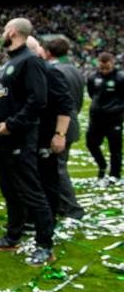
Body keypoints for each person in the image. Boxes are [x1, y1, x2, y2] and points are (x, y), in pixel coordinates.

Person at [0, 18, 54, 266]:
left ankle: (45, 245)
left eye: (4, 30)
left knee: (31, 191)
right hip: (2, 138)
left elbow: (38, 100)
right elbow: (0, 99)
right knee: (10, 190)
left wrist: (12, 125)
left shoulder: (30, 60)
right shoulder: (10, 62)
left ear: (12, 32)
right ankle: (12, 236)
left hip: (19, 138)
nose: (2, 34)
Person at [31, 39, 74, 221]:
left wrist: (60, 132)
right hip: (61, 127)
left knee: (54, 173)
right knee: (52, 172)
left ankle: (66, 210)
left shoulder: (51, 71)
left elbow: (65, 103)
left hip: (56, 129)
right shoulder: (71, 69)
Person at [45, 38, 85, 219]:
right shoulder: (75, 70)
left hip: (60, 125)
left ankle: (72, 209)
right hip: (72, 121)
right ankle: (61, 205)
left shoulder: (54, 71)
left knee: (58, 168)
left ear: (48, 52)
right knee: (59, 166)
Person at [85, 52, 124, 182]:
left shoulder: (120, 78)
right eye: (102, 68)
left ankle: (115, 174)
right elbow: (92, 94)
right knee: (91, 144)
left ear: (112, 63)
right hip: (96, 118)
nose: (104, 71)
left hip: (114, 119)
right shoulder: (93, 78)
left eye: (107, 68)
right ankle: (102, 165)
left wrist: (116, 109)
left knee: (115, 148)